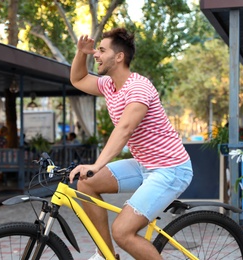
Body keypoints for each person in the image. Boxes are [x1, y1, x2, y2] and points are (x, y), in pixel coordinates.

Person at [69, 28, 193, 260]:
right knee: (86, 185)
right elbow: (77, 79)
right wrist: (80, 53)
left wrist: (96, 165)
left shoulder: (138, 88)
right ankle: (106, 255)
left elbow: (124, 130)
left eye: (102, 50)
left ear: (119, 57)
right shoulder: (108, 85)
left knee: (122, 231)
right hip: (144, 165)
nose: (97, 54)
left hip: (170, 169)